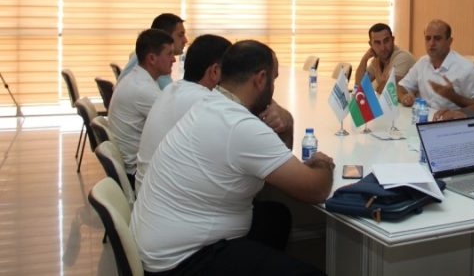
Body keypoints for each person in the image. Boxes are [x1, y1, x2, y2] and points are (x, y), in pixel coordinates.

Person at [131, 40, 332, 275]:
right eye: (274, 79)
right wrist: (323, 162)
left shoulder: (209, 103)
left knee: (275, 217)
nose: (273, 88)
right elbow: (316, 189)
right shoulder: (238, 125)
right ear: (260, 79)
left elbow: (275, 160)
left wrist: (286, 127)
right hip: (181, 262)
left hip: (160, 240)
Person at [135, 34, 232, 194]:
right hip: (163, 197)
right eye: (232, 72)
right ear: (215, 71)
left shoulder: (172, 89)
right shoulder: (206, 102)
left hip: (149, 190)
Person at [108, 28, 175, 187]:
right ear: (152, 58)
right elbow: (177, 125)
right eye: (169, 54)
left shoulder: (137, 78)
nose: (174, 59)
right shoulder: (143, 89)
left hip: (129, 164)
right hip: (135, 173)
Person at [397, 19, 474, 111]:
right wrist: (404, 97)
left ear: (449, 41)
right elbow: (401, 87)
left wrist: (454, 97)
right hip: (423, 117)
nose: (431, 43)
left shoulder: (468, 68)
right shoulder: (422, 62)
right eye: (428, 38)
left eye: (437, 38)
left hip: (452, 119)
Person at [119, 13, 189, 89]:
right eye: (180, 35)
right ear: (164, 36)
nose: (185, 40)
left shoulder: (142, 54)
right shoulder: (156, 61)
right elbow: (170, 92)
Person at [354, 23, 416, 93]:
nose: (383, 48)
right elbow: (359, 86)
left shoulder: (402, 58)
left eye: (386, 41)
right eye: (377, 43)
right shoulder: (377, 60)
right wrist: (365, 58)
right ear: (371, 45)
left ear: (392, 40)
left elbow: (385, 90)